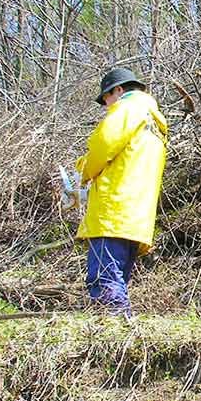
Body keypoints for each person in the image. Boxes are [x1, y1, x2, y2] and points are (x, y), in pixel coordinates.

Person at [76, 67, 168, 316]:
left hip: (112, 213)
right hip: (136, 218)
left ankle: (112, 334)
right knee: (117, 280)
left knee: (104, 281)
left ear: (118, 90)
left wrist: (82, 172)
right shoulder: (154, 123)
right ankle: (122, 333)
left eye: (106, 99)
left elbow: (102, 145)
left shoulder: (128, 109)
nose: (107, 106)